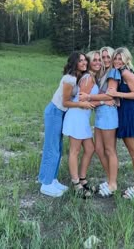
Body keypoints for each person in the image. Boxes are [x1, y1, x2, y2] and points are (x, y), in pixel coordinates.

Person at [38, 52, 93, 197]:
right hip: (55, 112)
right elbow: (65, 102)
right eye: (80, 61)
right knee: (52, 147)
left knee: (58, 147)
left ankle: (51, 179)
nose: (84, 63)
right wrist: (82, 104)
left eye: (85, 60)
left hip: (60, 113)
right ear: (74, 62)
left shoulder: (77, 77)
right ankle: (46, 184)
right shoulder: (69, 79)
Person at [62, 51, 105, 198]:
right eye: (94, 60)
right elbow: (82, 99)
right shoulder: (87, 78)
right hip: (77, 116)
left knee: (90, 148)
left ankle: (82, 178)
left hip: (83, 118)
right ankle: (76, 183)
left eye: (100, 60)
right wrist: (105, 100)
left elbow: (88, 99)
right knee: (74, 151)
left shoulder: (91, 77)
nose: (97, 62)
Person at [108, 47, 134, 199]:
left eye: (120, 59)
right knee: (133, 153)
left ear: (126, 60)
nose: (117, 61)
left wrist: (116, 94)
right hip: (124, 114)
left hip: (132, 114)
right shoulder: (119, 72)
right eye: (115, 58)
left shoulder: (126, 72)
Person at [79, 47, 121, 197]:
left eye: (108, 57)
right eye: (103, 57)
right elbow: (105, 97)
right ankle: (110, 178)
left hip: (109, 115)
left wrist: (89, 98)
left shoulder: (113, 72)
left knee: (110, 150)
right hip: (100, 115)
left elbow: (110, 95)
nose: (106, 60)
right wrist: (102, 100)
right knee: (98, 149)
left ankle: (113, 184)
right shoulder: (101, 73)